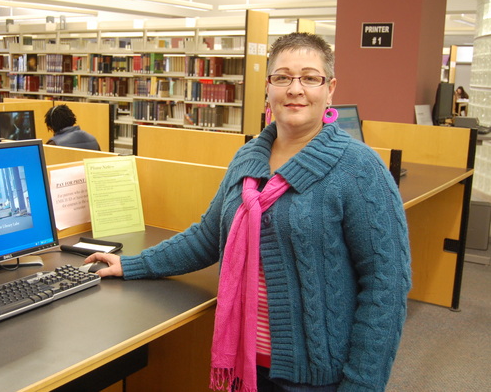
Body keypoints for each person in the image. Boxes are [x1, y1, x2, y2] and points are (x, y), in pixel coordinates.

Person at [85, 32, 412, 392]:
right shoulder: (248, 158)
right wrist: (133, 264)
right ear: (268, 88)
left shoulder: (360, 168)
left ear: (330, 88)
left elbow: (387, 286)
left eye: (310, 77)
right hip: (244, 366)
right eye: (283, 77)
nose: (295, 88)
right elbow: (208, 237)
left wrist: (362, 385)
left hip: (318, 375)